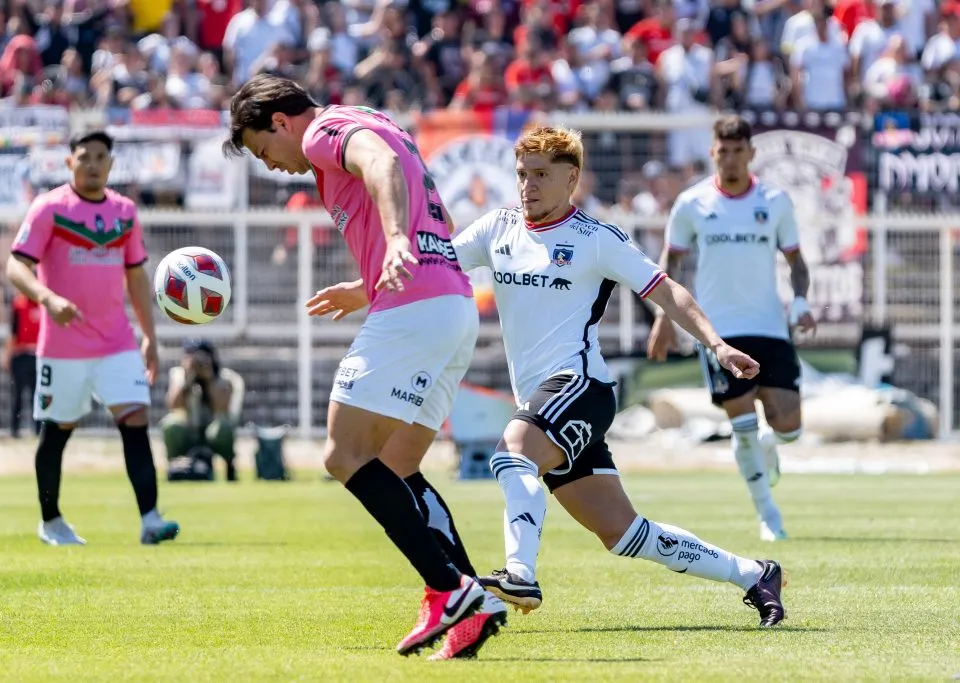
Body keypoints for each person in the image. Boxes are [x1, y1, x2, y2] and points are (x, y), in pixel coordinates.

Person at [307, 126, 788, 629]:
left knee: (512, 451)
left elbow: (668, 292)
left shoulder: (597, 239)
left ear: (571, 178)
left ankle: (520, 573)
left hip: (580, 387)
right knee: (623, 533)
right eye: (521, 175)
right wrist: (360, 291)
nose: (527, 185)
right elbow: (433, 265)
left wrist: (717, 343)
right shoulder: (498, 229)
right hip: (544, 401)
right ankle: (755, 573)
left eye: (540, 175)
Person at [223, 74, 506, 660]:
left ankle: (448, 589)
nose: (271, 166)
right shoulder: (375, 117)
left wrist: (396, 238)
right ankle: (477, 604)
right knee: (397, 465)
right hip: (451, 302)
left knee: (343, 454)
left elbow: (378, 165)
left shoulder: (327, 131)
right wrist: (370, 276)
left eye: (262, 150)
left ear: (280, 122)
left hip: (414, 310)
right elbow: (443, 220)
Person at [5, 130, 180, 547]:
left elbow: (136, 275)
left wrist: (149, 336)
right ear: (69, 163)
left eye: (101, 156)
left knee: (135, 421)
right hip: (63, 347)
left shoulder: (124, 212)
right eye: (84, 156)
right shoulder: (50, 208)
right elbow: (16, 266)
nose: (93, 164)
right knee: (57, 433)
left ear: (112, 164)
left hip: (116, 342)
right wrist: (47, 298)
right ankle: (51, 522)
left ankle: (151, 520)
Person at [648, 115, 816, 542]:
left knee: (790, 430)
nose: (731, 159)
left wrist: (799, 303)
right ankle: (768, 515)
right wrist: (664, 320)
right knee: (740, 424)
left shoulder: (775, 201)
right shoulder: (692, 203)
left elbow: (796, 262)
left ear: (751, 154)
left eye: (739, 151)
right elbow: (671, 265)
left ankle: (769, 446)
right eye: (723, 151)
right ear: (713, 153)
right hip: (717, 333)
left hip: (770, 327)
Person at [160, 338, 237, 481]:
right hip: (189, 428)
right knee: (171, 425)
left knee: (223, 428)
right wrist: (187, 379)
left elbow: (222, 407)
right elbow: (173, 405)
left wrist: (209, 379)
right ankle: (175, 467)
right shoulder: (179, 375)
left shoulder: (224, 377)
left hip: (211, 432)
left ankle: (230, 468)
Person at [2, 290, 41, 438]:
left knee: (37, 396)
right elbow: (13, 332)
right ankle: (14, 430)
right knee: (17, 395)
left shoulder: (44, 305)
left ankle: (38, 430)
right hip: (21, 355)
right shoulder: (19, 304)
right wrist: (7, 354)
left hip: (38, 356)